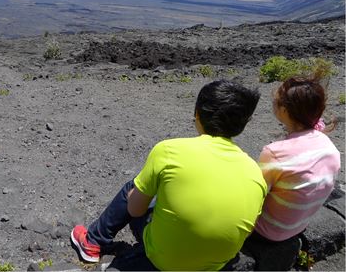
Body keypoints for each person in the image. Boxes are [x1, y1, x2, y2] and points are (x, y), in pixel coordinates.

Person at [71, 80, 266, 270]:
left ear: (197, 114)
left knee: (134, 189)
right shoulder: (255, 173)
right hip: (214, 266)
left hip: (164, 261)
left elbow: (136, 210)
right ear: (243, 124)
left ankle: (92, 241)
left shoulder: (169, 151)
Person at [242, 75, 341, 270]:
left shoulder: (275, 152)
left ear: (284, 111)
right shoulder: (330, 148)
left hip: (268, 231)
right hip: (297, 226)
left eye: (276, 101)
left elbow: (254, 196)